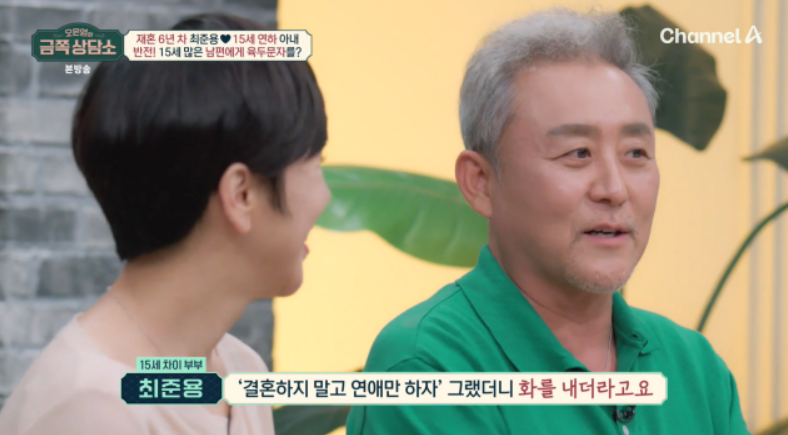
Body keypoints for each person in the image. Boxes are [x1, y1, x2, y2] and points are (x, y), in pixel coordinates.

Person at [346, 8, 749, 435]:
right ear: (480, 182)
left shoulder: (696, 368)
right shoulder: (428, 368)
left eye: (635, 153)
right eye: (578, 153)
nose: (614, 189)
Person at [0, 13, 330, 435]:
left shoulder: (240, 371)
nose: (326, 197)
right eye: (317, 164)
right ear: (241, 194)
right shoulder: (92, 409)